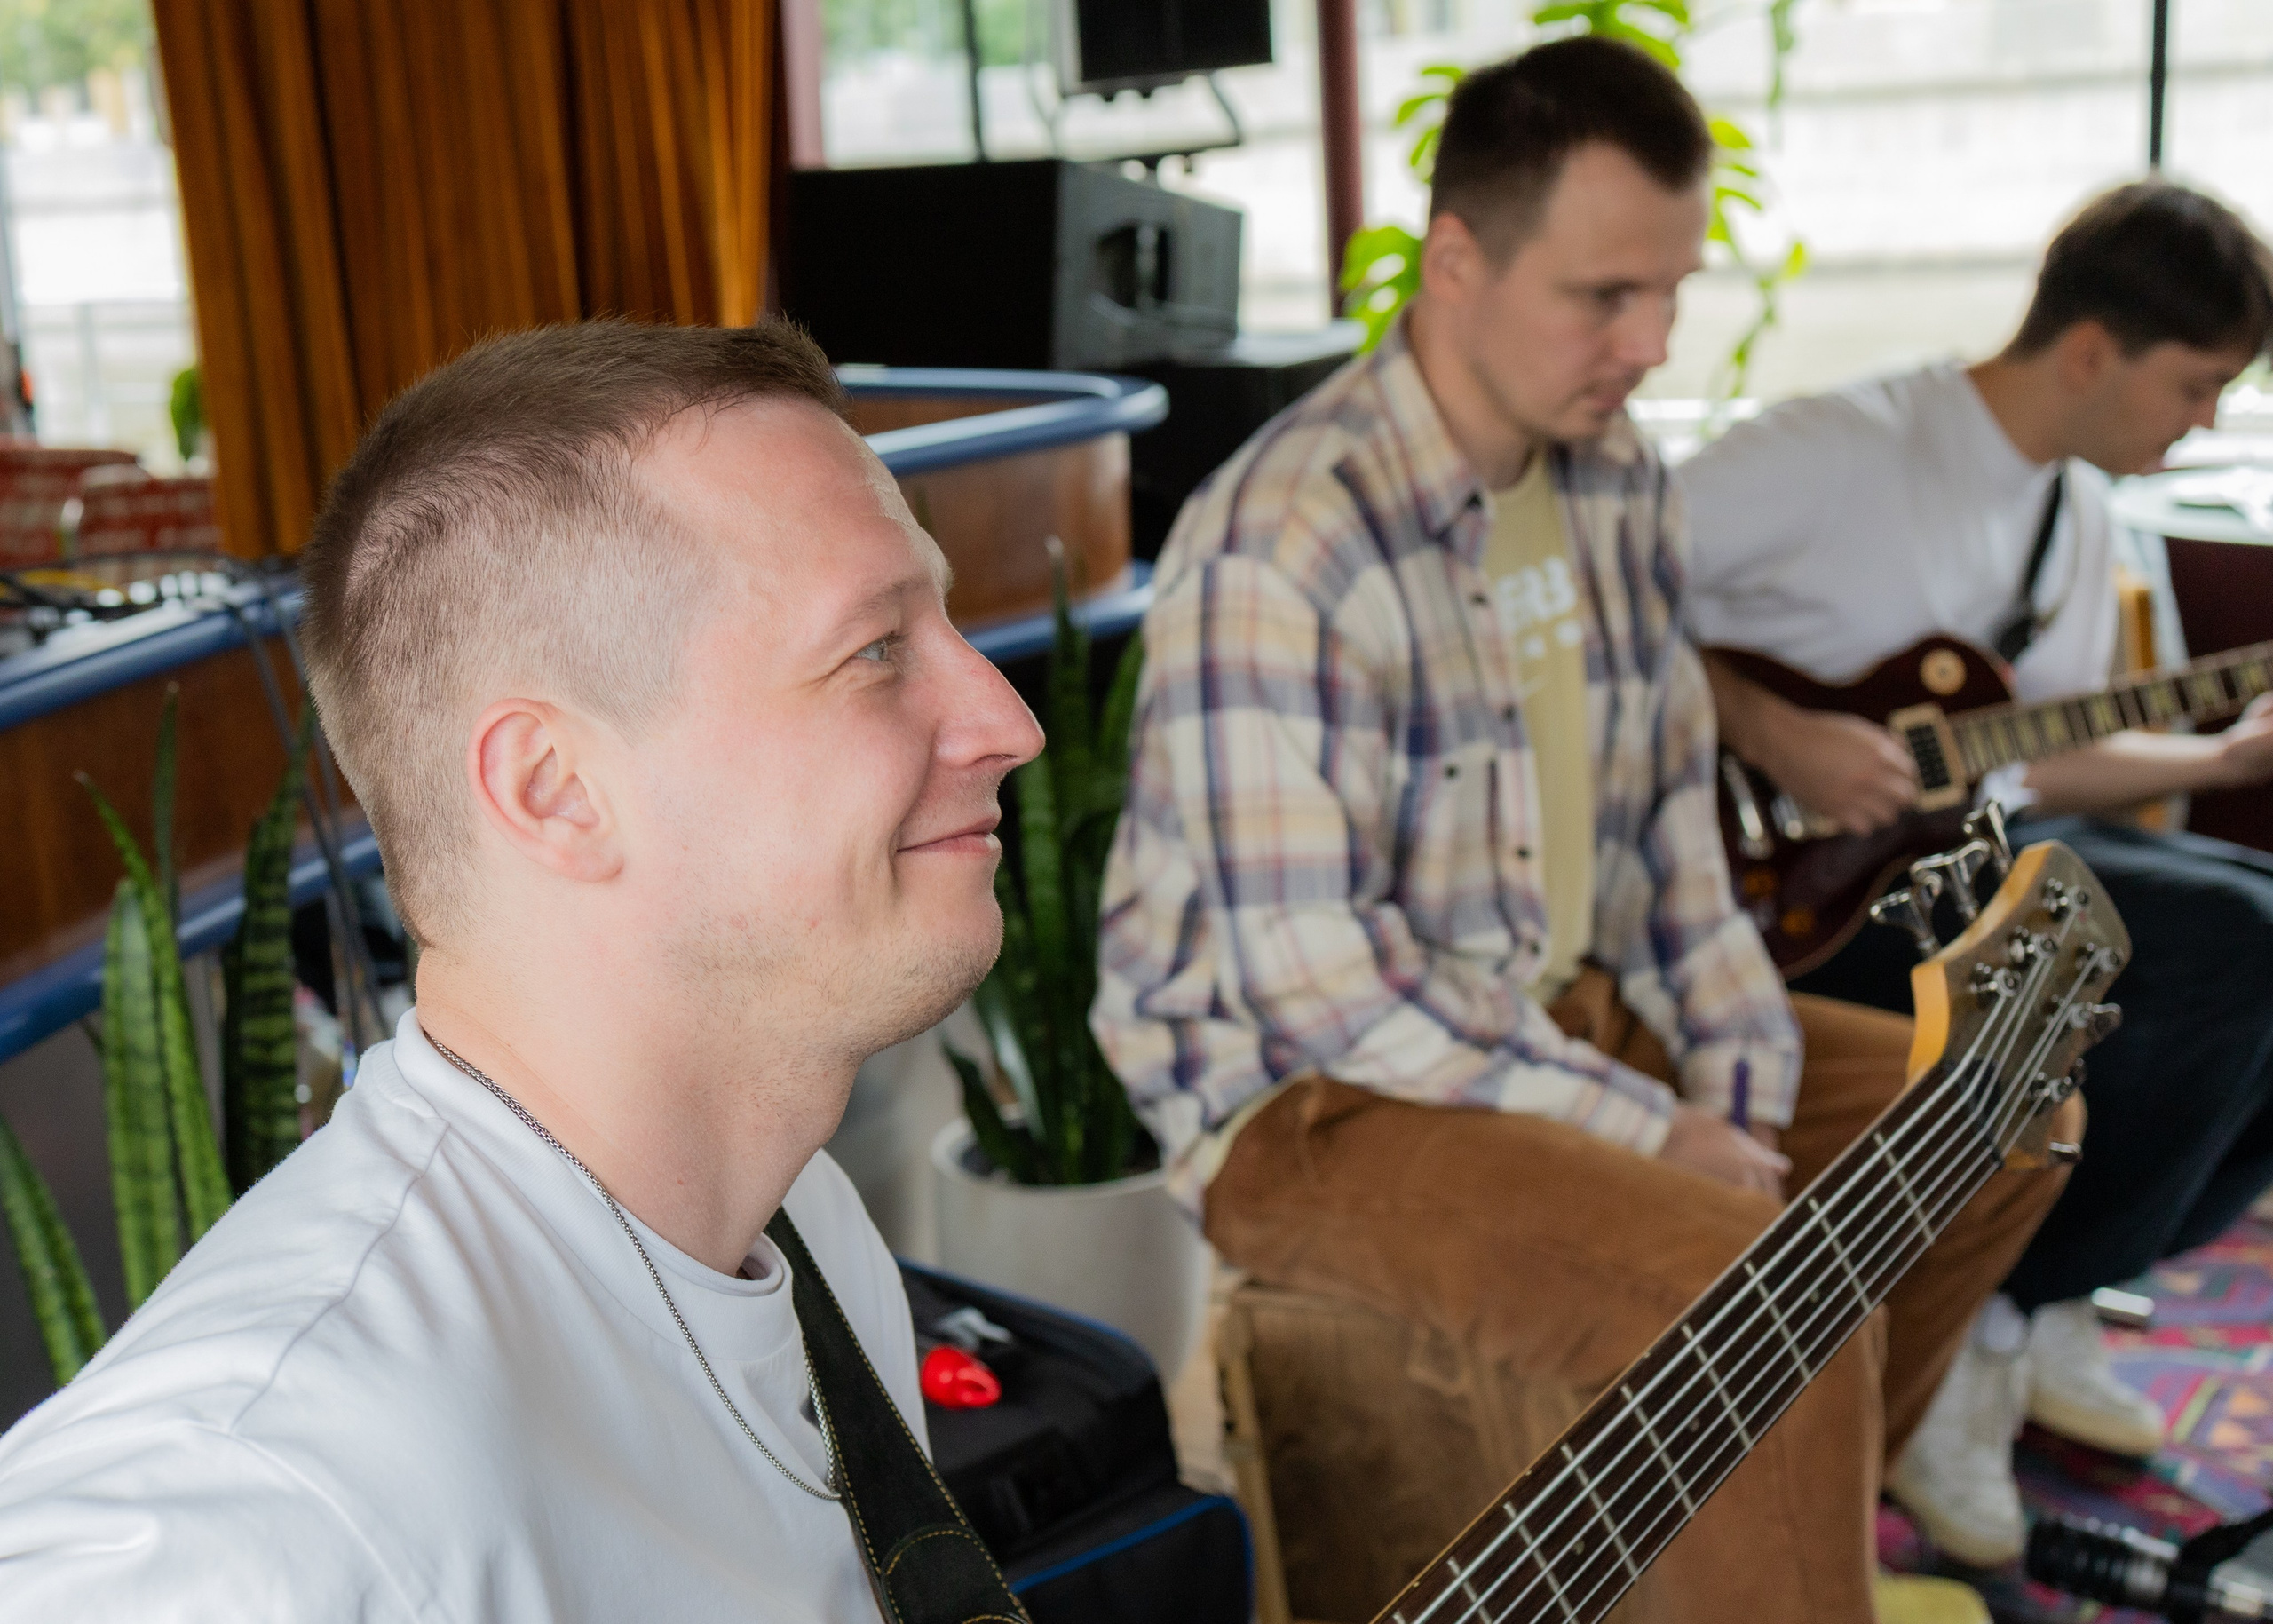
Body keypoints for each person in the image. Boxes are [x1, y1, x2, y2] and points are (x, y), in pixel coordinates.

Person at [1092, 36, 2065, 1624]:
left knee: (2003, 1112)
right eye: (1605, 295)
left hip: (1554, 1020)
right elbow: (1318, 984)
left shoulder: (1618, 484)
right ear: (1455, 264)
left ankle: (1765, 1550)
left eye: (1671, 291)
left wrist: (1734, 1096)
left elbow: (1677, 855)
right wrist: (1654, 1136)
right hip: (1306, 1099)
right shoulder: (1286, 538)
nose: (1652, 341)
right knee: (1754, 1307)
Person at [0, 321, 1044, 1617]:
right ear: (555, 790)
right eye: (876, 649)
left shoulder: (801, 1223)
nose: (1009, 722)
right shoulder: (264, 1510)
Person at [1683, 179, 2273, 1568]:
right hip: (1788, 889)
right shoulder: (1834, 449)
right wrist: (1771, 729)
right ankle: (1977, 1337)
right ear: (2092, 351)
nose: (2205, 422)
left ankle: (2043, 1297)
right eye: (2195, 386)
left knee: (2253, 925)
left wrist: (2231, 757)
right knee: (2223, 951)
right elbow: (1589, 588)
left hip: (1965, 848)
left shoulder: (2080, 514)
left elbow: (2032, 762)